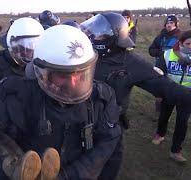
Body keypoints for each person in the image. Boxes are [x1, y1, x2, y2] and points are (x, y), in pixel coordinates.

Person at [0, 25, 122, 180]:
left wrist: (67, 176)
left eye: (81, 73)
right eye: (64, 75)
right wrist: (12, 165)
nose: (74, 82)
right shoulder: (13, 93)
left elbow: (107, 143)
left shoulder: (101, 97)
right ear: (43, 74)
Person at [80, 12, 191, 179]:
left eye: (100, 33)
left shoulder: (132, 63)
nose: (93, 36)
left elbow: (168, 88)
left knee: (107, 170)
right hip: (79, 122)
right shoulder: (86, 55)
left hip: (110, 129)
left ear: (112, 38)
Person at [152, 30, 191, 162]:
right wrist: (159, 93)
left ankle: (175, 150)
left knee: (182, 123)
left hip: (187, 96)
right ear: (180, 43)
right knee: (164, 115)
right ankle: (160, 134)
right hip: (169, 92)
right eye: (188, 43)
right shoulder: (167, 54)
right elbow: (158, 75)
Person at [0, 17, 44, 84]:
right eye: (23, 45)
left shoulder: (43, 65)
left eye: (33, 44)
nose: (29, 48)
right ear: (13, 44)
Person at [149, 15, 181, 113]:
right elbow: (151, 50)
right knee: (159, 90)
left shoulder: (181, 36)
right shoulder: (160, 37)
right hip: (160, 67)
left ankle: (175, 106)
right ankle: (159, 110)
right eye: (167, 23)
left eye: (171, 23)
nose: (169, 25)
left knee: (174, 89)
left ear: (176, 24)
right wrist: (161, 53)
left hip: (175, 68)